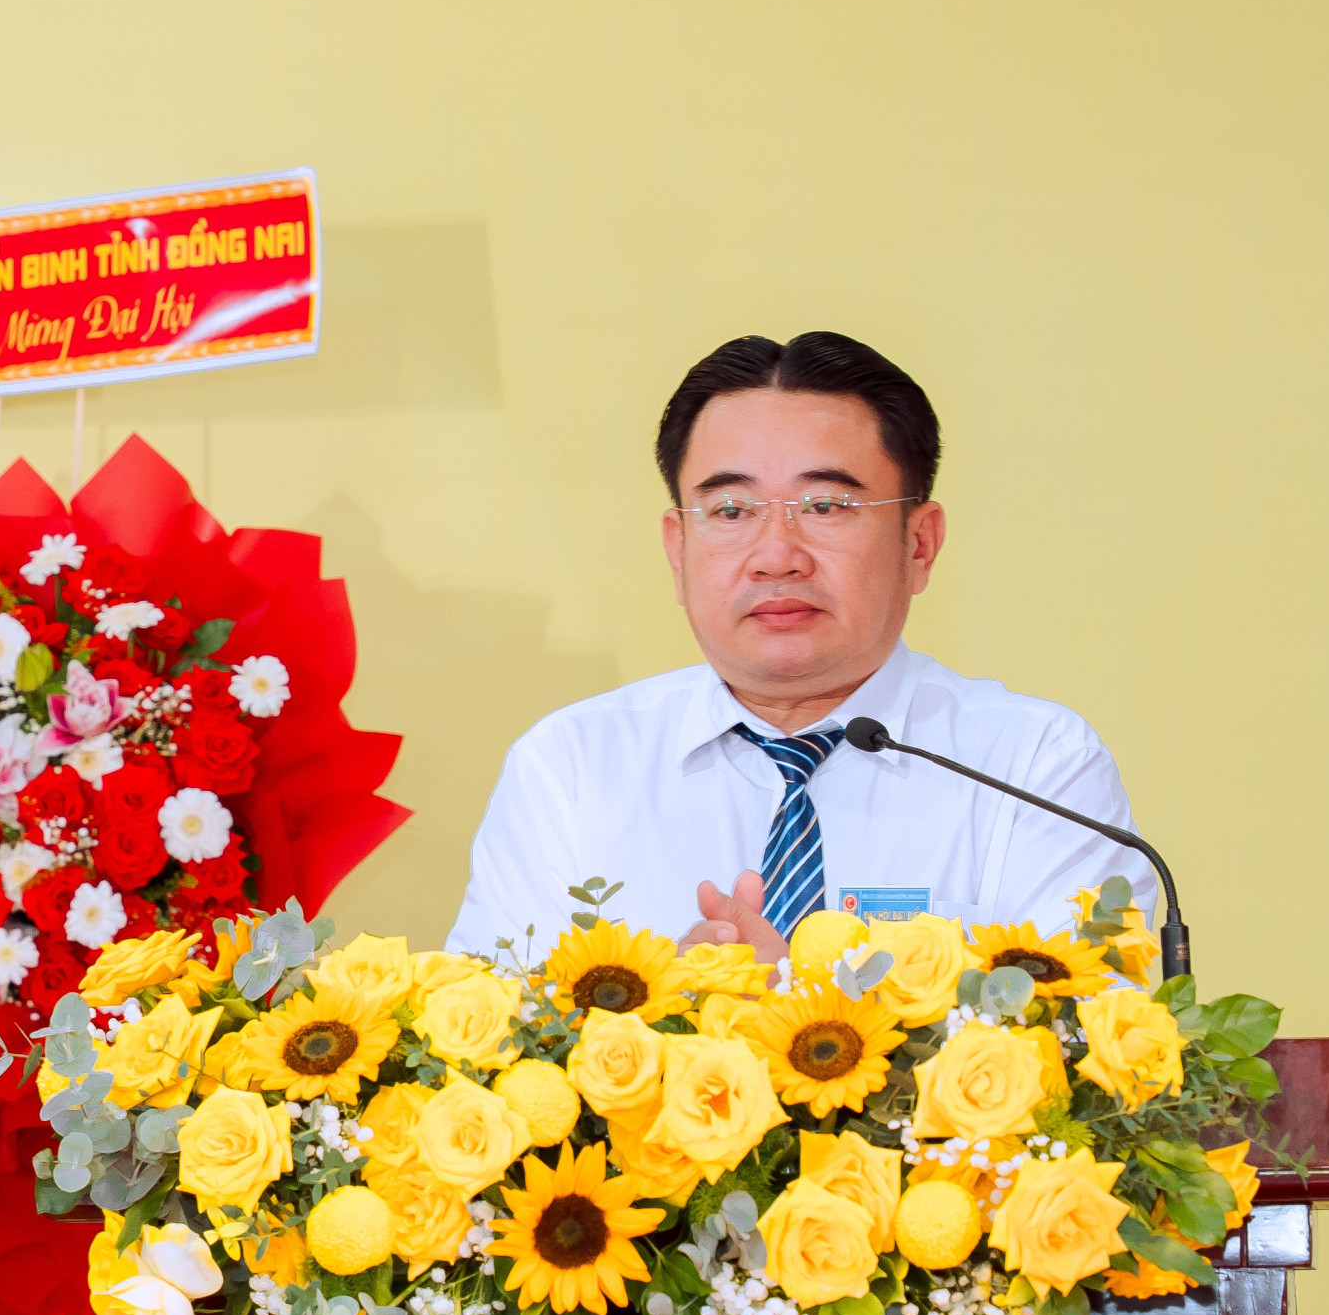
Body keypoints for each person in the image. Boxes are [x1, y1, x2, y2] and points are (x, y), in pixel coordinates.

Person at [446, 331, 1153, 962]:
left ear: (919, 543)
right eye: (731, 510)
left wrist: (781, 1003)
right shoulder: (570, 768)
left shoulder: (1035, 767)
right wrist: (664, 1021)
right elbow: (493, 1043)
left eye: (826, 506)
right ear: (677, 549)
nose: (776, 556)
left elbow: (1089, 1039)